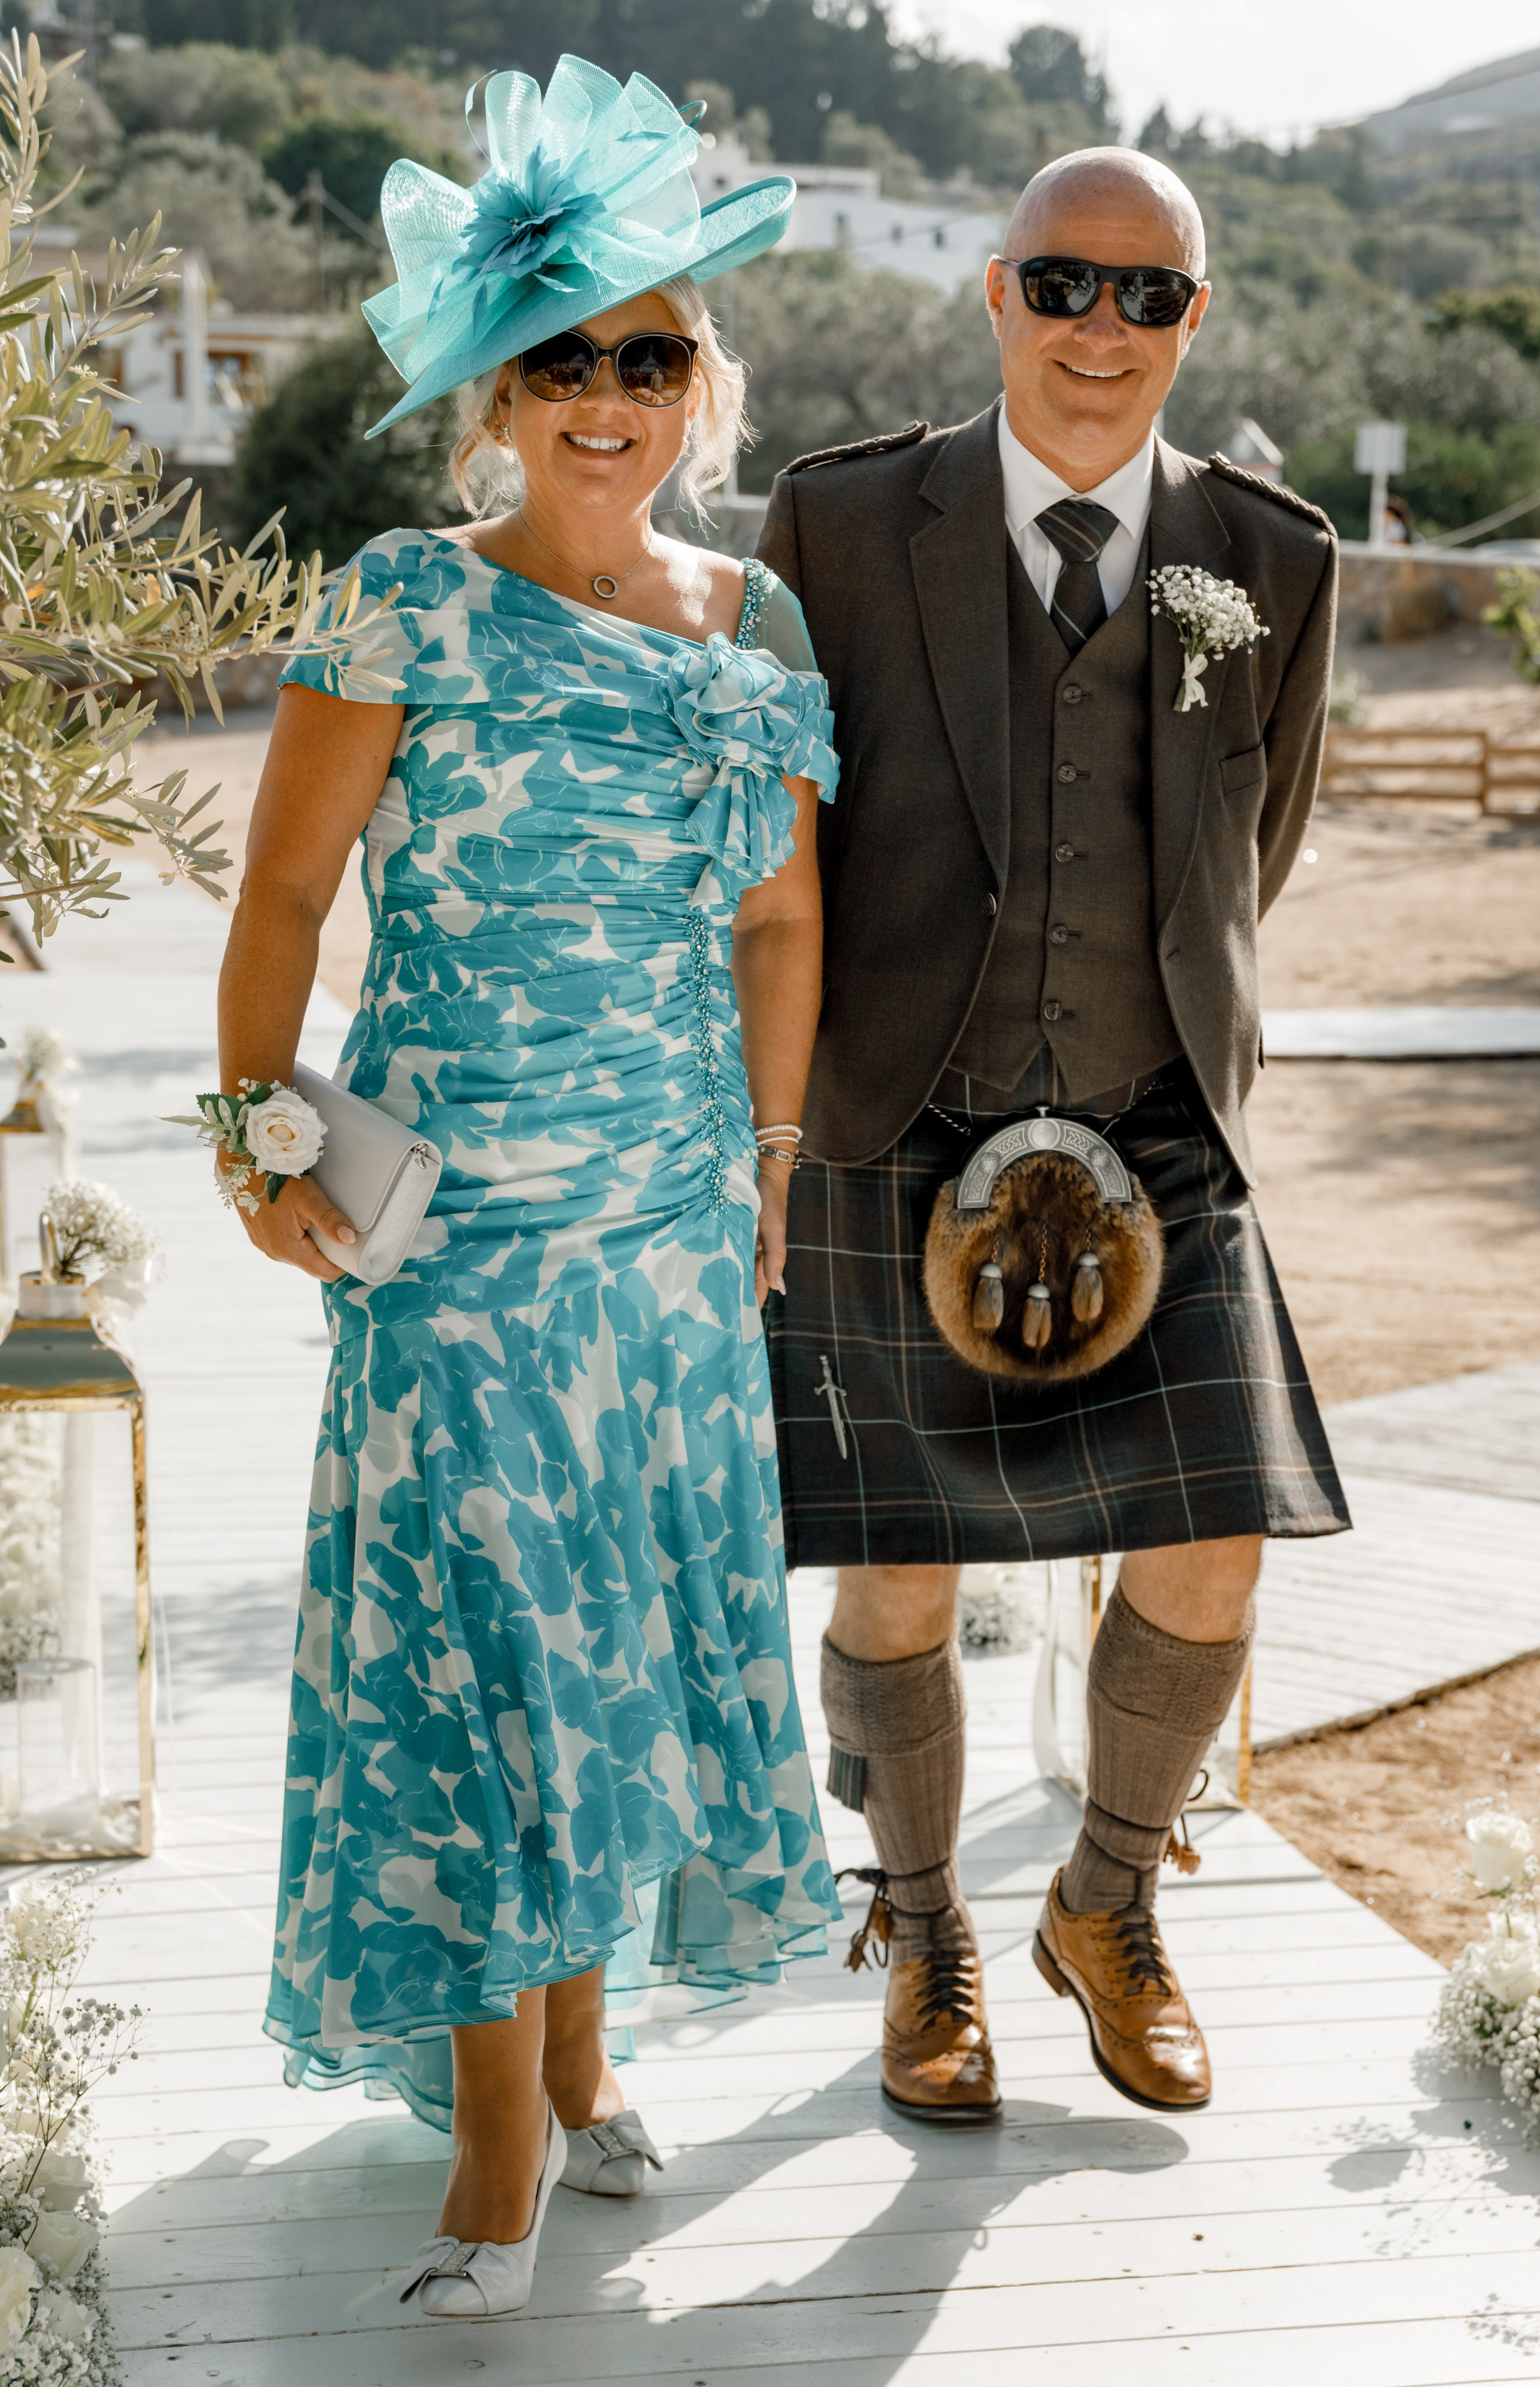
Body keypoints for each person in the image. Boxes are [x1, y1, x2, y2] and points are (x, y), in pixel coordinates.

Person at [216, 60, 841, 2319]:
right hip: (451, 1241)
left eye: (648, 354)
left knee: (627, 1646)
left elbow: (778, 930)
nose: (606, 395)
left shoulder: (745, 631)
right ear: (497, 387)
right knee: (478, 1654)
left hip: (672, 1231)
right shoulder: (403, 603)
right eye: (565, 355)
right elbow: (283, 904)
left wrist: (768, 1168)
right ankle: (496, 2143)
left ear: (702, 384)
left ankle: (584, 2067)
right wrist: (253, 1133)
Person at [756, 148, 1350, 2125]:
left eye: (1149, 296)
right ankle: (922, 1928)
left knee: (1217, 1543)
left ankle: (1106, 1905)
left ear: (1199, 319)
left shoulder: (1273, 557)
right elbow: (784, 846)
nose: (1105, 329)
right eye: (1066, 286)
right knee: (903, 1564)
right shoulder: (840, 525)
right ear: (996, 297)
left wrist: (1153, 1023)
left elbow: (1258, 847)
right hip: (895, 1106)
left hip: (1158, 1114)